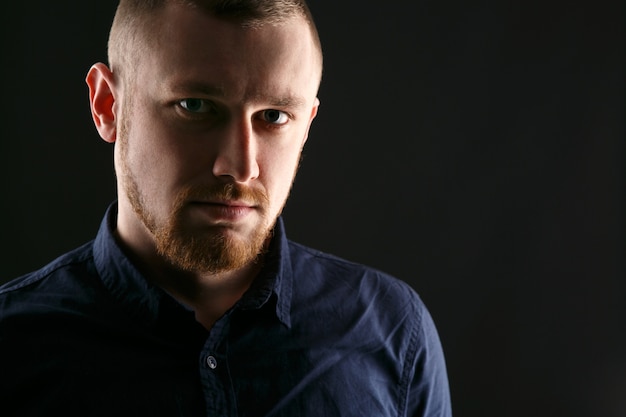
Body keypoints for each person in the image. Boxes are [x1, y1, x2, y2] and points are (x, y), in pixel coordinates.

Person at [0, 1, 452, 416]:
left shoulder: (392, 331)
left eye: (274, 116)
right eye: (195, 106)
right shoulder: (14, 346)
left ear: (307, 125)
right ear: (107, 106)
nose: (239, 167)